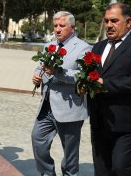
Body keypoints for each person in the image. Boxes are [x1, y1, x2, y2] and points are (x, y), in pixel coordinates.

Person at [89, 3, 131, 176]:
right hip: (100, 121)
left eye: (114, 21)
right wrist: (83, 85)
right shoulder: (98, 47)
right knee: (102, 170)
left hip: (129, 121)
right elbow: (90, 74)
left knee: (122, 169)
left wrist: (104, 84)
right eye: (106, 21)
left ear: (129, 22)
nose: (109, 25)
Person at [31, 11, 91, 176]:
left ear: (71, 27)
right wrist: (37, 76)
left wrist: (58, 72)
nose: (57, 29)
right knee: (38, 141)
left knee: (70, 154)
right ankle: (47, 174)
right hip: (47, 106)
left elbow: (83, 75)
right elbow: (40, 66)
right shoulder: (49, 46)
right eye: (55, 25)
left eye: (62, 26)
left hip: (69, 108)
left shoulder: (83, 47)